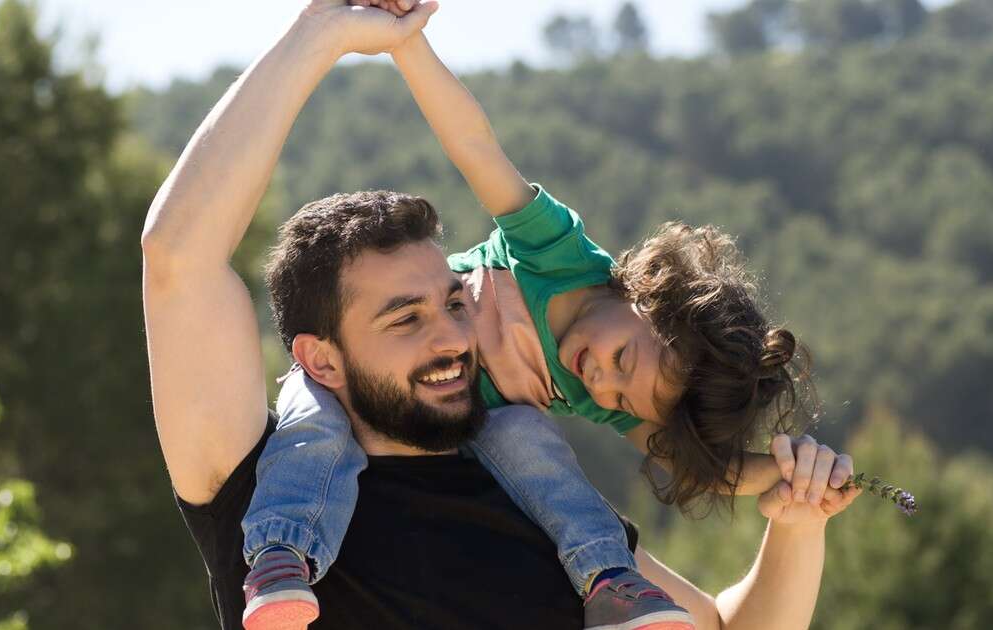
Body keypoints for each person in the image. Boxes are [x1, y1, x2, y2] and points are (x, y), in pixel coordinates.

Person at [140, 2, 861, 629]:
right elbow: (179, 258)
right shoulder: (261, 481)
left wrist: (796, 518)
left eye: (456, 301)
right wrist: (319, 32)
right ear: (321, 359)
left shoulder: (546, 508)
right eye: (404, 319)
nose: (454, 334)